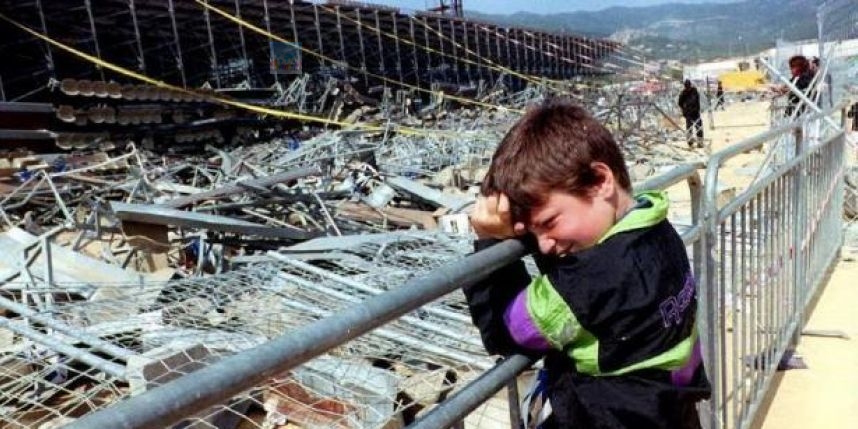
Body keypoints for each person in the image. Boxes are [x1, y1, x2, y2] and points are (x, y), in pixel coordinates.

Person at [466, 100, 711, 429]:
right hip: (673, 412)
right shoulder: (658, 229)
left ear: (599, 180)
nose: (544, 245)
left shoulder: (590, 281)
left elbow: (506, 331)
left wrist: (489, 244)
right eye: (532, 235)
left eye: (549, 222)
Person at [678, 80, 704, 148]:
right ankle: (690, 142)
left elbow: (697, 101)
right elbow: (680, 103)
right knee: (689, 128)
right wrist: (684, 110)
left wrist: (697, 109)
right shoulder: (683, 93)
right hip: (688, 113)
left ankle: (700, 143)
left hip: (695, 112)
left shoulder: (694, 92)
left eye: (688, 86)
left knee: (699, 127)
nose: (688, 88)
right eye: (686, 87)